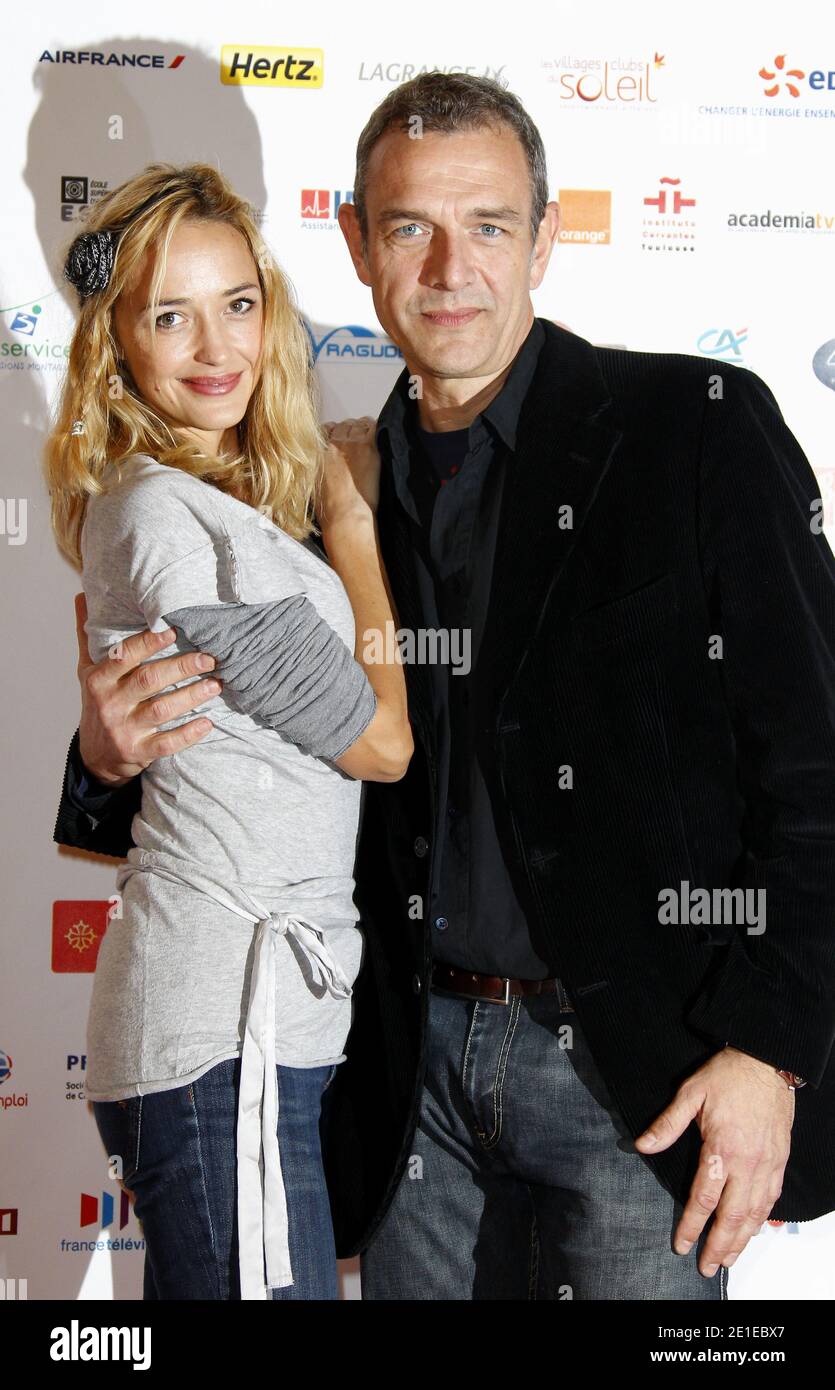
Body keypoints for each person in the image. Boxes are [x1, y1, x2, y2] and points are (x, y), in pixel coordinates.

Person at [54, 76, 835, 1301]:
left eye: (488, 225)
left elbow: (817, 761)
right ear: (358, 245)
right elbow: (240, 753)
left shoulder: (691, 427)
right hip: (404, 1082)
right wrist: (98, 763)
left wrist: (771, 1046)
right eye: (411, 226)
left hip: (639, 1079)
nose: (450, 267)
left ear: (546, 237)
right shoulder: (326, 487)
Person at [45, 161, 412, 1300]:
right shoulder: (173, 517)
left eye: (238, 303)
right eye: (170, 314)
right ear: (118, 343)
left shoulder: (231, 506)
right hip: (225, 1030)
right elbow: (382, 744)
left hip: (266, 1032)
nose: (216, 346)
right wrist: (353, 526)